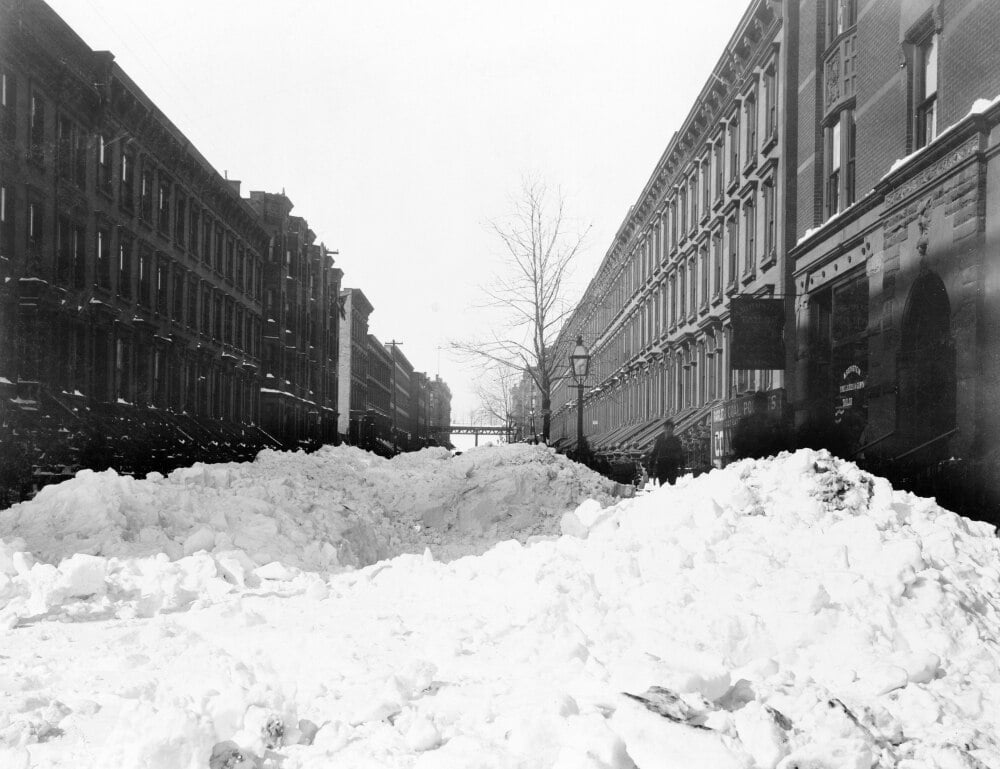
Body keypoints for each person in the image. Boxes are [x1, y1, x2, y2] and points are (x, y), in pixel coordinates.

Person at [647, 419, 684, 486]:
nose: (668, 430)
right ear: (664, 429)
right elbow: (655, 452)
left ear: (672, 429)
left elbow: (680, 453)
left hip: (672, 466)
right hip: (662, 466)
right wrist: (651, 466)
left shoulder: (675, 440)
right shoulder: (660, 440)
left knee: (672, 486)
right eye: (667, 428)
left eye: (670, 428)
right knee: (662, 485)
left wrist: (682, 466)